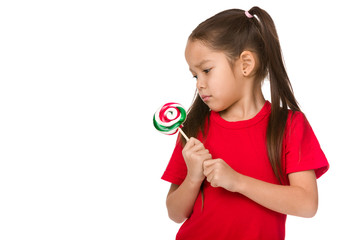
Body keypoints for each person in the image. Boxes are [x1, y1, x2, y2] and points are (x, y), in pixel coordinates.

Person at [161, 6, 329, 240]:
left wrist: (237, 181)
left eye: (207, 70)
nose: (199, 84)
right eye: (195, 75)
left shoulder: (290, 126)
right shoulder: (194, 129)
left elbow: (307, 204)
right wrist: (193, 177)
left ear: (246, 64)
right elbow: (175, 213)